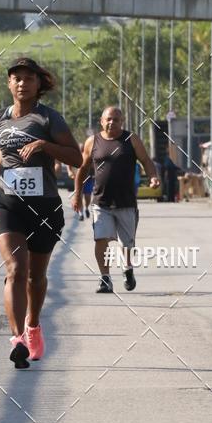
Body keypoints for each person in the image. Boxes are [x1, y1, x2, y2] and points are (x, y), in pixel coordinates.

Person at [0, 57, 81, 369]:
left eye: (28, 79)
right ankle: (18, 338)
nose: (22, 83)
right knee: (16, 270)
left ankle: (33, 325)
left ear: (38, 84)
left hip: (44, 206)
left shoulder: (49, 119)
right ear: (9, 84)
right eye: (16, 78)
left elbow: (76, 157)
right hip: (8, 204)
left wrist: (45, 146)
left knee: (36, 276)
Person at [72, 106, 160, 294]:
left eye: (116, 120)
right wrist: (77, 194)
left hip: (126, 202)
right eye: (108, 119)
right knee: (100, 239)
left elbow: (146, 160)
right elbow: (82, 169)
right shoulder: (92, 141)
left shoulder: (131, 139)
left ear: (122, 122)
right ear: (101, 121)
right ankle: (105, 278)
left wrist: (153, 176)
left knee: (126, 244)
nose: (112, 122)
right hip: (100, 201)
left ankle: (127, 270)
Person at [68, 143, 94, 221]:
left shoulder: (89, 155)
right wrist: (70, 172)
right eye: (80, 148)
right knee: (79, 196)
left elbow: (94, 165)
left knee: (87, 196)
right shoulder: (74, 156)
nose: (81, 150)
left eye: (82, 148)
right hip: (78, 180)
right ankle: (81, 214)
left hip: (89, 179)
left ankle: (86, 208)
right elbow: (69, 164)